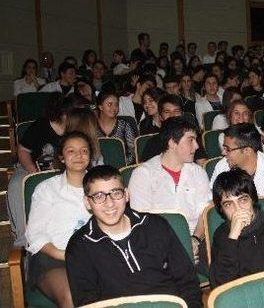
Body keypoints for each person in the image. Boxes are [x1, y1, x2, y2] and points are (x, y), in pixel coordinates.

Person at [65, 165, 202, 307]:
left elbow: (187, 281)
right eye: (99, 196)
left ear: (126, 195)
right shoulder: (79, 247)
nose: (110, 203)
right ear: (87, 202)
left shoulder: (155, 226)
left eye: (116, 193)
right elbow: (87, 303)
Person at [24, 132, 94, 308]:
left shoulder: (101, 186)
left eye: (84, 150)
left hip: (96, 255)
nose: (79, 155)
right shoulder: (47, 189)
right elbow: (34, 233)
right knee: (72, 296)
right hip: (54, 258)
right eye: (72, 151)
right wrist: (62, 254)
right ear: (61, 157)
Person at [129, 117, 211, 260]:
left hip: (195, 239)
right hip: (157, 245)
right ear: (172, 142)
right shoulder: (143, 174)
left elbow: (205, 212)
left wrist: (195, 240)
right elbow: (141, 223)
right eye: (190, 140)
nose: (197, 146)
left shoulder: (198, 172)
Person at [7, 96, 72, 247]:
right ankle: (23, 240)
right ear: (63, 113)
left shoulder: (73, 128)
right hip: (30, 166)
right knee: (17, 185)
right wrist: (33, 172)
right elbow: (23, 151)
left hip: (61, 170)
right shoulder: (40, 125)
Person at [210, 123, 264, 198]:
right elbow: (214, 201)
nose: (223, 153)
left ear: (247, 151)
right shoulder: (222, 166)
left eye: (228, 149)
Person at [140, 95, 208, 165]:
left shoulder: (191, 138)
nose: (172, 115)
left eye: (176, 111)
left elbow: (202, 163)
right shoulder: (154, 142)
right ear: (160, 117)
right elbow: (144, 169)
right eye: (167, 112)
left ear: (182, 114)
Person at [95, 91, 137, 164]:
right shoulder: (93, 126)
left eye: (116, 104)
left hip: (122, 167)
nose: (114, 108)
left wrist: (122, 163)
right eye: (110, 104)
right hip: (98, 169)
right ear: (100, 107)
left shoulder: (124, 125)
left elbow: (133, 151)